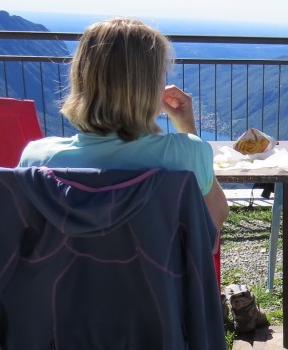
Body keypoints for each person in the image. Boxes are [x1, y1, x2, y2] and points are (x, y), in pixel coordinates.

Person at [18, 17, 229, 231]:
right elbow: (213, 224)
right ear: (149, 88)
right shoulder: (186, 153)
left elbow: (25, 235)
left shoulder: (37, 158)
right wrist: (188, 130)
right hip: (156, 265)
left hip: (63, 265)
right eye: (161, 76)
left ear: (82, 79)